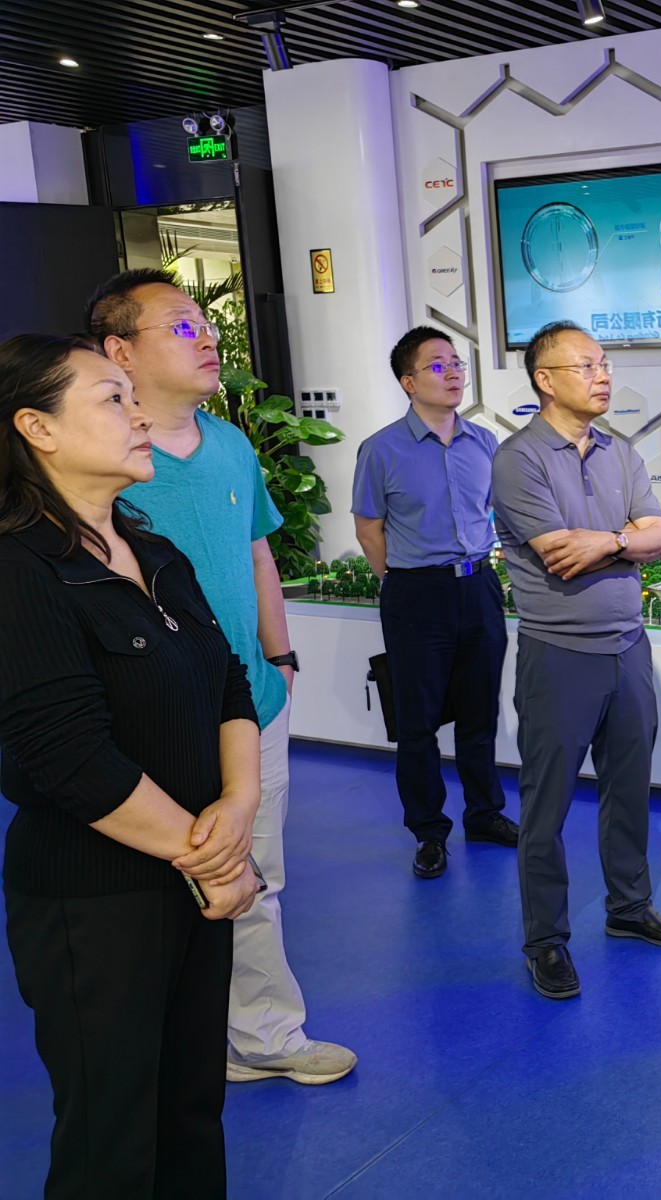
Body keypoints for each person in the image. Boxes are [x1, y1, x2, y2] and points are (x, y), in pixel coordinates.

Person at [0, 334, 262, 1197]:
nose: (140, 415)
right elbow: (67, 755)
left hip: (192, 880)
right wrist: (212, 856)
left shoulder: (154, 552)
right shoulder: (19, 569)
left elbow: (228, 681)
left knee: (190, 1112)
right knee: (111, 1140)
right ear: (37, 427)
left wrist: (239, 805)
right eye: (114, 399)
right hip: (96, 900)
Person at [88, 269, 355, 1086]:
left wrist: (280, 657)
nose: (205, 338)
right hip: (149, 716)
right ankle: (167, 1048)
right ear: (119, 352)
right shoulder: (102, 462)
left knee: (253, 879)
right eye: (180, 326)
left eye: (204, 324)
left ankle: (262, 1038)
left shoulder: (232, 445)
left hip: (252, 705)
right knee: (153, 888)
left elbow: (257, 555)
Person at [491, 320, 661, 1001]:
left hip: (628, 647)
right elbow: (560, 554)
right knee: (546, 806)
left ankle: (629, 907)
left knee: (629, 789)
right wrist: (626, 538)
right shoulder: (518, 459)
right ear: (545, 380)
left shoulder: (621, 451)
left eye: (604, 363)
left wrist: (607, 540)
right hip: (559, 653)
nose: (603, 375)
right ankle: (545, 940)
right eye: (586, 365)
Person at [352, 326, 518, 878]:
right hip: (416, 593)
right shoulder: (381, 449)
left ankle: (484, 813)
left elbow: (496, 512)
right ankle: (428, 831)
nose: (453, 373)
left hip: (478, 587)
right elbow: (369, 529)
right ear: (408, 382)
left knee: (479, 712)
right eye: (438, 365)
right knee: (417, 723)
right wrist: (402, 579)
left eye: (456, 363)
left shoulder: (484, 443)